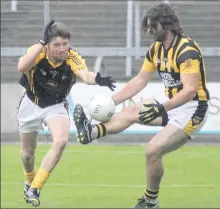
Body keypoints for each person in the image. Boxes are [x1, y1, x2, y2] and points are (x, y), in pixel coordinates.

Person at [73, 3, 210, 208]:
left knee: (152, 150)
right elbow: (140, 80)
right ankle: (90, 132)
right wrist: (113, 101)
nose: (149, 30)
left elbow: (190, 90)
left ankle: (150, 201)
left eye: (152, 25)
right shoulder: (155, 49)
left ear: (166, 24)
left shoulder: (186, 50)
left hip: (193, 109)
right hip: (173, 107)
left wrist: (162, 108)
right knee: (131, 110)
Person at [17, 20, 116, 207]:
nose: (62, 49)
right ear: (47, 44)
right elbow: (21, 67)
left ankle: (36, 188)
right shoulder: (38, 52)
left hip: (56, 106)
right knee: (27, 154)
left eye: (65, 44)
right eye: (56, 45)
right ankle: (29, 180)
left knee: (61, 141)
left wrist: (98, 79)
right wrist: (40, 44)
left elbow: (84, 74)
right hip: (31, 103)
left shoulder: (72, 57)